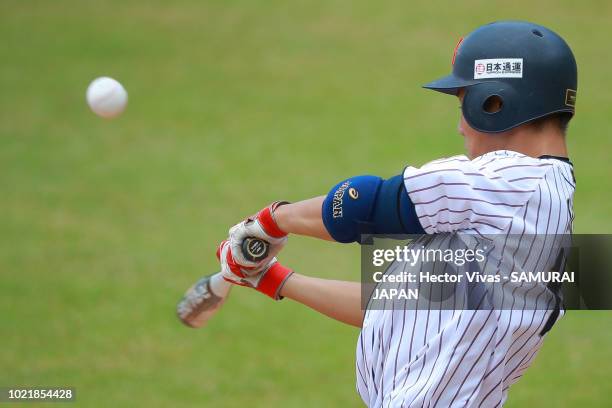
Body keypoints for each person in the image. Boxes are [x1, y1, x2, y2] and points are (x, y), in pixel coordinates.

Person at [216, 20, 577, 407]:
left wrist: (269, 223)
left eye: (464, 105)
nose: (460, 127)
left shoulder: (513, 183)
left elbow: (362, 206)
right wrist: (271, 278)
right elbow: (396, 305)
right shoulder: (534, 204)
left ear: (495, 103)